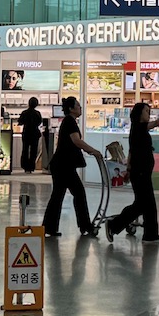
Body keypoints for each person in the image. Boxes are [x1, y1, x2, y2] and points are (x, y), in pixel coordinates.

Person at [107, 101, 159, 244]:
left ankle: (147, 233)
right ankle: (117, 226)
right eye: (146, 111)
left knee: (145, 204)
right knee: (145, 204)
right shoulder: (140, 128)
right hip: (140, 173)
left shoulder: (137, 129)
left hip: (141, 172)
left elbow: (131, 151)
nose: (149, 114)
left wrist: (128, 169)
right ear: (139, 114)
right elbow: (156, 123)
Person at [43, 96, 100, 238]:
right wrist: (92, 150)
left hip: (61, 165)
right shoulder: (70, 122)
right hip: (64, 166)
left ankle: (49, 228)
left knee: (58, 196)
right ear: (71, 109)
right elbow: (76, 141)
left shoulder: (69, 122)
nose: (80, 108)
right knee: (78, 193)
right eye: (78, 106)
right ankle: (85, 226)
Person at [17, 97, 45, 174]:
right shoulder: (37, 113)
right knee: (33, 151)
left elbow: (20, 122)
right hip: (35, 133)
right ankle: (31, 167)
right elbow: (39, 122)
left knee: (25, 150)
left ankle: (25, 167)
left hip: (26, 132)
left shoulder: (24, 112)